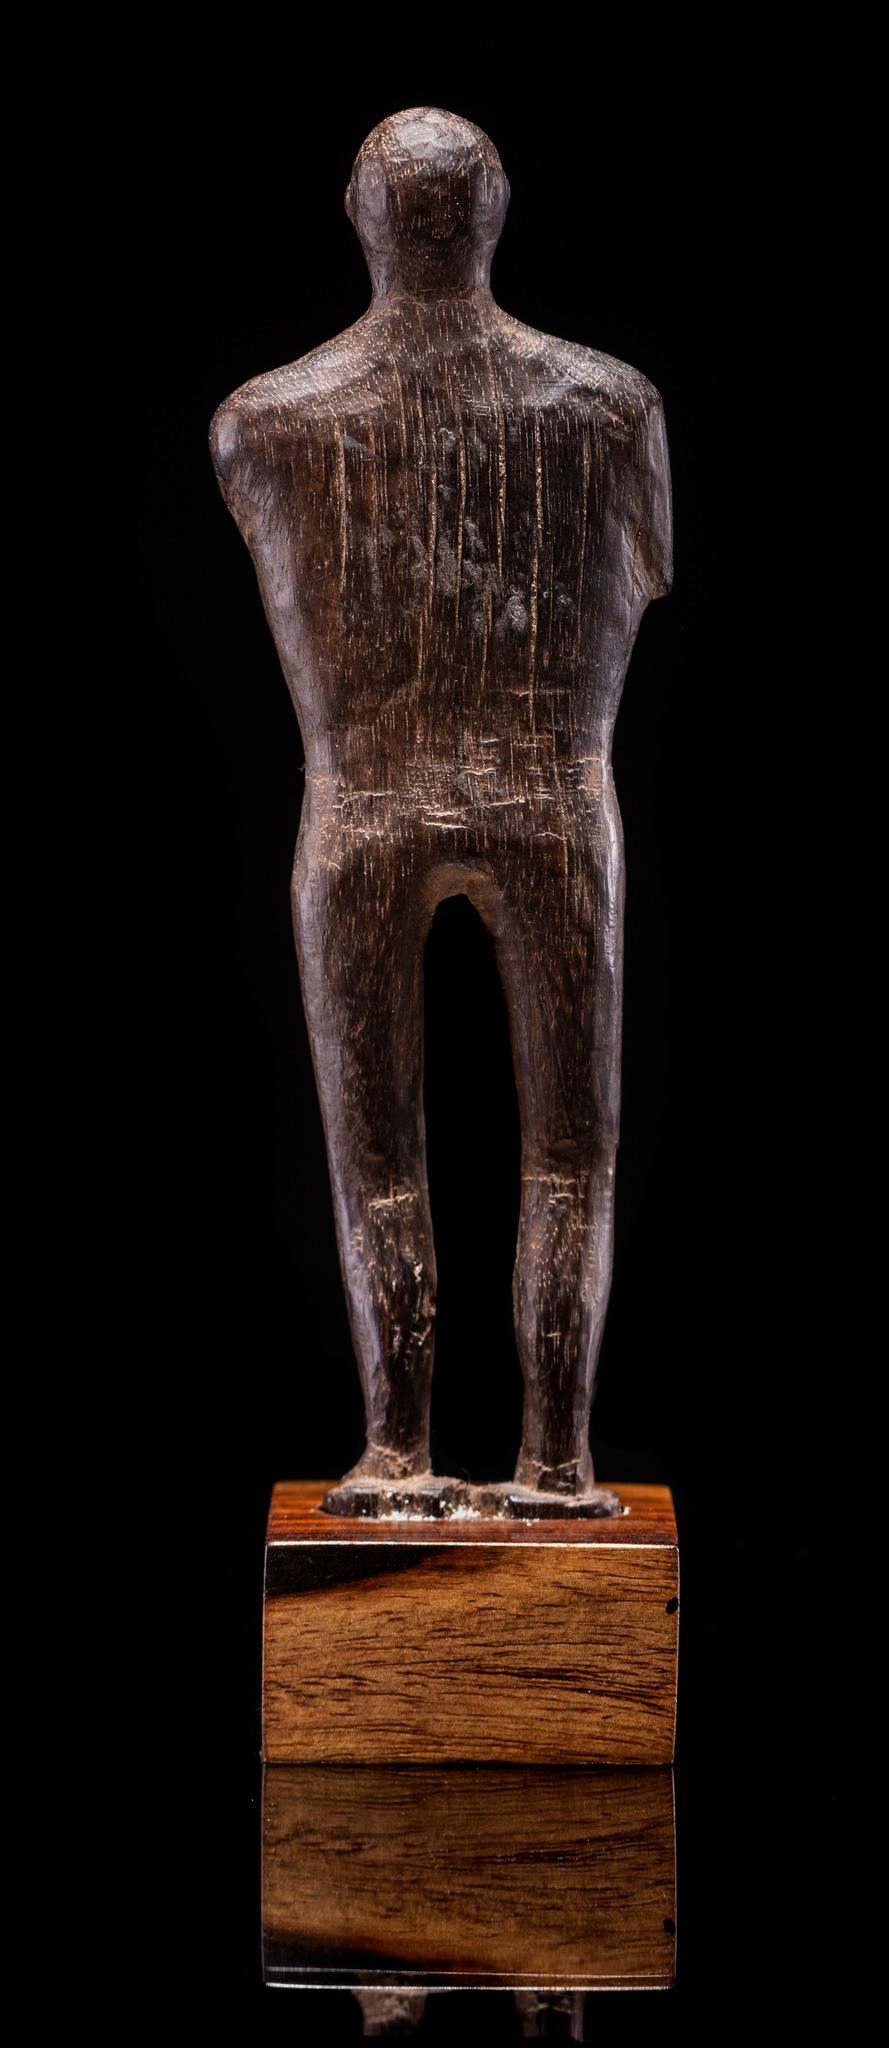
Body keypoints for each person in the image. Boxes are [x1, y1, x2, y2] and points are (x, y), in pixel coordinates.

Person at [210, 107, 672, 1504]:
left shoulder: (263, 422)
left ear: (361, 220)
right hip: (554, 808)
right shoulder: (612, 408)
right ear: (495, 215)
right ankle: (554, 1462)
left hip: (359, 814)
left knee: (377, 1159)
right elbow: (649, 568)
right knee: (571, 1157)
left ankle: (398, 1449)